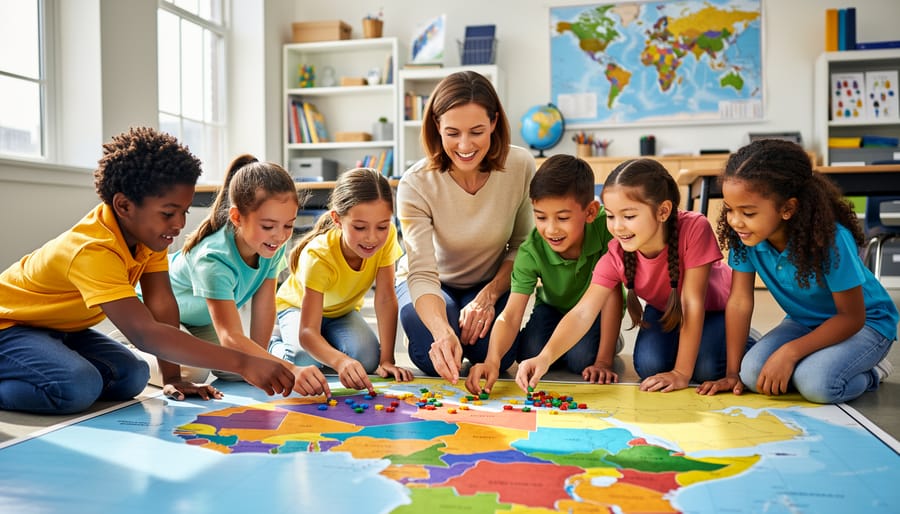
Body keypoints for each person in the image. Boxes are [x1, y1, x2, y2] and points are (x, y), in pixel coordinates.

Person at [0, 127, 303, 415]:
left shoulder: (150, 237)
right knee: (78, 386)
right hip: (11, 327)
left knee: (133, 376)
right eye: (168, 213)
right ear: (124, 206)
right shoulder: (93, 249)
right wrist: (244, 363)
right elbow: (145, 333)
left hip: (63, 331)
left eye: (184, 212)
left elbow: (162, 306)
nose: (180, 224)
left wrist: (173, 376)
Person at [517, 158, 750, 394]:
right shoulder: (617, 252)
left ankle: (745, 340)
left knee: (707, 368)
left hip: (715, 310)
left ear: (663, 211)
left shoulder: (694, 228)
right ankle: (695, 346)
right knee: (649, 365)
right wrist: (544, 357)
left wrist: (681, 373)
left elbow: (692, 302)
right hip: (666, 310)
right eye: (610, 216)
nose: (617, 227)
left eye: (628, 216)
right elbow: (583, 312)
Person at [706, 139, 897, 403]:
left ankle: (873, 370)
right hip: (803, 322)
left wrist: (790, 353)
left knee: (817, 384)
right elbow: (739, 301)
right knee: (751, 375)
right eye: (729, 210)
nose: (736, 221)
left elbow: (852, 318)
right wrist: (732, 372)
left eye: (748, 212)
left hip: (866, 324)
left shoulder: (830, 239)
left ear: (787, 208)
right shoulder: (745, 237)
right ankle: (815, 360)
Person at [146, 154, 330, 399]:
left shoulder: (271, 246)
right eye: (268, 226)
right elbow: (230, 337)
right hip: (156, 317)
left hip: (199, 321)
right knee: (194, 373)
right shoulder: (213, 258)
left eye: (288, 225)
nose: (279, 235)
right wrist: (289, 368)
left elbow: (264, 307)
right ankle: (131, 347)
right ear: (236, 217)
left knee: (242, 370)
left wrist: (263, 362)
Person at [396, 70, 536, 384]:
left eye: (476, 131)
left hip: (489, 281)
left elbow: (523, 245)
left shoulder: (521, 166)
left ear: (494, 124)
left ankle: (464, 327)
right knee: (432, 353)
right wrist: (442, 330)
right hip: (433, 283)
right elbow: (421, 271)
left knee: (500, 355)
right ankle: (442, 326)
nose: (464, 145)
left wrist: (488, 297)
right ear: (436, 127)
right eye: (452, 132)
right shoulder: (415, 183)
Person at [465, 155, 623, 395]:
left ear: (590, 212)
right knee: (529, 354)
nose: (551, 229)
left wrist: (603, 360)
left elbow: (611, 295)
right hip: (552, 307)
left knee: (581, 359)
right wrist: (492, 360)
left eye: (562, 218)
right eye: (540, 217)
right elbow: (511, 315)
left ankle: (611, 342)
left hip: (596, 308)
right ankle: (563, 347)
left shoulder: (606, 229)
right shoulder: (530, 250)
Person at [269, 168, 413, 393]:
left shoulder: (388, 237)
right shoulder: (318, 256)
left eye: (382, 226)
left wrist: (387, 359)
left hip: (341, 312)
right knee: (305, 361)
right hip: (297, 310)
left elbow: (385, 298)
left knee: (368, 360)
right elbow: (307, 331)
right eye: (359, 227)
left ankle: (325, 343)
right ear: (337, 219)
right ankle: (273, 344)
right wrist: (340, 361)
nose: (372, 237)